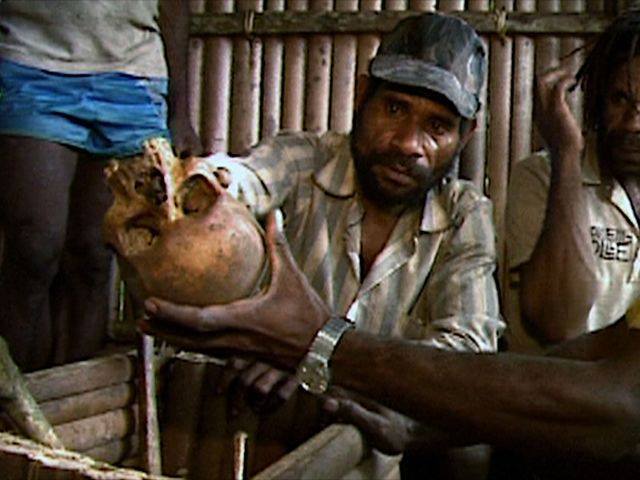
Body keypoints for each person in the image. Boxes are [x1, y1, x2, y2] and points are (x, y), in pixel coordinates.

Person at [143, 11, 640, 478]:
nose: (408, 143)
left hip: (375, 455)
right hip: (248, 433)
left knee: (465, 456)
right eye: (395, 108)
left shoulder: (465, 216)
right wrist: (194, 184)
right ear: (362, 96)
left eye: (437, 127)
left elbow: (468, 346)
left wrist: (316, 359)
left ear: (465, 138)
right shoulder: (302, 159)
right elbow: (242, 180)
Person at [0, 0, 202, 371]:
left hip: (133, 76)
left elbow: (174, 6)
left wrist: (180, 112)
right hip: (28, 60)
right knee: (33, 246)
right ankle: (14, 403)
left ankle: (68, 409)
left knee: (94, 253)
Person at [506, 11, 640, 350]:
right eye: (619, 99)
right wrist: (566, 153)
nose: (631, 124)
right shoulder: (542, 176)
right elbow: (557, 323)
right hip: (557, 399)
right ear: (597, 99)